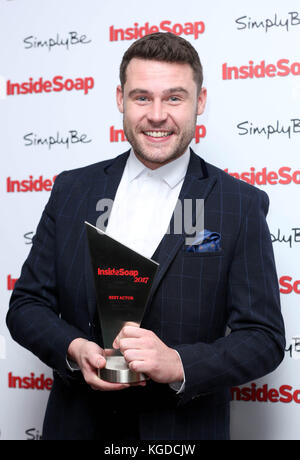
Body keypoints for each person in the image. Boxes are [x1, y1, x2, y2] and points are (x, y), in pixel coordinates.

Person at [7, 32, 285, 440]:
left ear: (200, 102)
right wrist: (73, 348)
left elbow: (264, 338)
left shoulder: (238, 204)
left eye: (174, 98)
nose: (157, 115)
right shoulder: (72, 190)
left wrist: (178, 363)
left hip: (180, 435)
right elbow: (27, 305)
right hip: (76, 426)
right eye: (142, 97)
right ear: (120, 100)